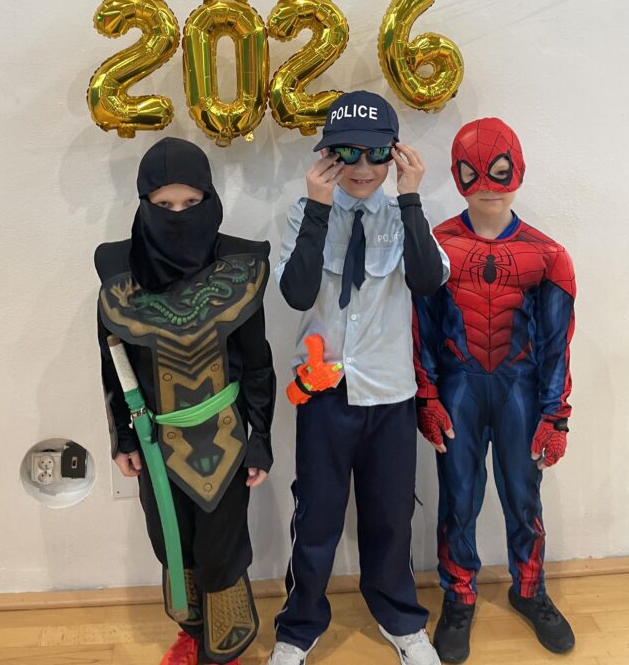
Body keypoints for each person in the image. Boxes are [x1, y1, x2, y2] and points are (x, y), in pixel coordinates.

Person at [266, 91, 450, 665]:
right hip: (324, 395)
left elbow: (427, 280)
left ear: (394, 155)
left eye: (375, 154)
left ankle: (400, 620)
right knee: (315, 515)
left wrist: (411, 197)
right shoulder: (303, 214)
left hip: (390, 395)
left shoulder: (403, 216)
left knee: (391, 515)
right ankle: (298, 629)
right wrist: (319, 208)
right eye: (347, 153)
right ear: (328, 155)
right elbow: (297, 293)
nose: (363, 168)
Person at [95, 137, 276, 665]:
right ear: (144, 204)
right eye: (164, 204)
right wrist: (123, 436)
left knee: (222, 548)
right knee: (171, 543)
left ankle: (224, 650)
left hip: (225, 438)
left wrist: (261, 438)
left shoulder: (240, 268)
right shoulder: (119, 272)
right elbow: (113, 362)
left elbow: (257, 362)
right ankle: (193, 634)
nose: (178, 215)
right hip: (155, 440)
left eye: (190, 203)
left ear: (209, 200)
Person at [413, 118, 576, 664]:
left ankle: (529, 588)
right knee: (458, 498)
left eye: (500, 171)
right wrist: (427, 395)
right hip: (458, 388)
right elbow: (420, 327)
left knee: (523, 496)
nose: (487, 184)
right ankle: (459, 595)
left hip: (519, 390)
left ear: (518, 171)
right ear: (457, 175)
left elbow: (557, 342)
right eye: (472, 172)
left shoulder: (548, 255)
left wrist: (555, 414)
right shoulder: (435, 247)